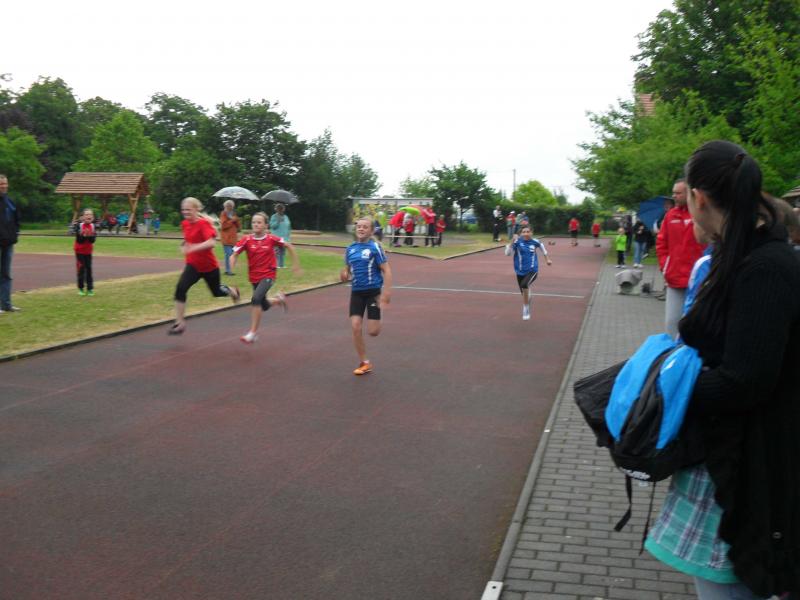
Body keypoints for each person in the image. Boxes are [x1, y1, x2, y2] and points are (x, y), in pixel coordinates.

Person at [645, 140, 800, 600]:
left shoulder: (764, 267)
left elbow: (744, 381)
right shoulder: (746, 256)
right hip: (732, 455)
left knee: (728, 586)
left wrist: (664, 391)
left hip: (749, 465)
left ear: (698, 198)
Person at [168, 197, 240, 335]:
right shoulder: (185, 224)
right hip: (193, 266)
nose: (185, 212)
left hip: (209, 267)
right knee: (180, 289)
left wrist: (193, 248)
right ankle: (179, 323)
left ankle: (232, 291)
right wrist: (184, 245)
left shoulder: (203, 224)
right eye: (183, 210)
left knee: (216, 292)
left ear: (196, 209)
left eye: (188, 209)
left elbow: (211, 243)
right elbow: (189, 239)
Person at [230, 212, 301, 344]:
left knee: (256, 299)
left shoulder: (271, 239)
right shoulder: (246, 239)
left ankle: (253, 333)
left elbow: (289, 246)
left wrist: (295, 265)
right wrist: (233, 262)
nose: (256, 224)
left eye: (259, 222)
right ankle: (278, 300)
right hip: (254, 277)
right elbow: (234, 253)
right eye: (254, 222)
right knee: (264, 305)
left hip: (268, 275)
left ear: (265, 225)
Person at [341, 217, 392, 375]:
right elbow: (346, 270)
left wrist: (386, 293)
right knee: (355, 327)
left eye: (365, 227)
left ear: (371, 231)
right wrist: (344, 274)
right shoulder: (350, 249)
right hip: (356, 292)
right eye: (359, 226)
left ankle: (378, 313)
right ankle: (365, 362)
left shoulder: (375, 248)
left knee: (373, 332)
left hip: (373, 292)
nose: (361, 229)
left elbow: (387, 270)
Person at [656, 179, 707, 339]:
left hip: (698, 281)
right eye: (673, 193)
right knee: (672, 323)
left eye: (678, 193)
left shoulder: (701, 213)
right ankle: (673, 352)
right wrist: (665, 267)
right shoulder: (670, 215)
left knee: (696, 325)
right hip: (675, 279)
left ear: (689, 194)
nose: (674, 196)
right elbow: (661, 243)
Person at [504, 224, 552, 320]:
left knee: (524, 285)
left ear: (531, 232)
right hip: (519, 271)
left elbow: (544, 250)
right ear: (521, 233)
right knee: (525, 293)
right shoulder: (517, 242)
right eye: (524, 232)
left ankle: (526, 308)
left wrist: (547, 259)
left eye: (528, 232)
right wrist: (512, 241)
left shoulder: (535, 242)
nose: (526, 233)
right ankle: (527, 297)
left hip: (532, 270)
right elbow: (507, 253)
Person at [0, 174, 21, 314]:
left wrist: (15, 234)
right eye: (1, 184)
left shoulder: (10, 202)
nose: (4, 186)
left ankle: (6, 304)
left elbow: (17, 219)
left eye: (5, 183)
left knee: (6, 274)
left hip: (8, 243)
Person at [74, 208, 97, 296]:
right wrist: (83, 235)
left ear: (92, 217)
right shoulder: (79, 226)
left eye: (90, 214)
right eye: (87, 214)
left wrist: (90, 235)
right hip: (79, 251)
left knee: (89, 269)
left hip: (88, 251)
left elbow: (93, 240)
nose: (88, 216)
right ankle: (80, 288)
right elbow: (79, 240)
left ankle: (90, 289)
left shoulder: (93, 226)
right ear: (83, 217)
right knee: (81, 268)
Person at [219, 200, 241, 275]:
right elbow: (223, 226)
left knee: (231, 254)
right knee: (229, 254)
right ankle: (228, 271)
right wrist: (232, 220)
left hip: (233, 239)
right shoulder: (223, 214)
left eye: (231, 206)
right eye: (228, 206)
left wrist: (236, 220)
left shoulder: (234, 214)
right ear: (225, 206)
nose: (229, 207)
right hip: (226, 238)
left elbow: (238, 227)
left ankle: (228, 270)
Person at [269, 203, 291, 268]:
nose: (280, 210)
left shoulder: (286, 217)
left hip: (285, 238)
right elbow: (272, 226)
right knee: (276, 252)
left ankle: (282, 265)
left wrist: (288, 237)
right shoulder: (274, 216)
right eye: (279, 208)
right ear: (276, 209)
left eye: (281, 208)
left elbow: (288, 227)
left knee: (283, 252)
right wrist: (278, 221)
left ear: (283, 209)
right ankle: (276, 265)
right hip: (276, 237)